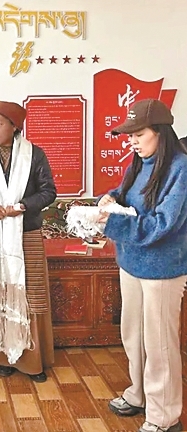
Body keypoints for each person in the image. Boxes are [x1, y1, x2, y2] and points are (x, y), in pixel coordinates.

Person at [98, 99, 187, 432]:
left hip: (162, 269)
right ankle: (139, 394)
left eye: (138, 134)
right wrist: (110, 198)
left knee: (159, 343)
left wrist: (112, 223)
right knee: (133, 335)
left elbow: (163, 224)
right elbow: (125, 195)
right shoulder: (139, 163)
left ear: (160, 132)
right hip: (131, 261)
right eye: (129, 136)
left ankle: (164, 417)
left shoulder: (181, 169)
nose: (132, 142)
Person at [0, 101, 57, 383]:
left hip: (26, 233)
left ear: (15, 126)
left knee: (29, 293)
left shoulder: (34, 155)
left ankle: (31, 360)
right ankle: (0, 355)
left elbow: (48, 191)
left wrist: (24, 206)